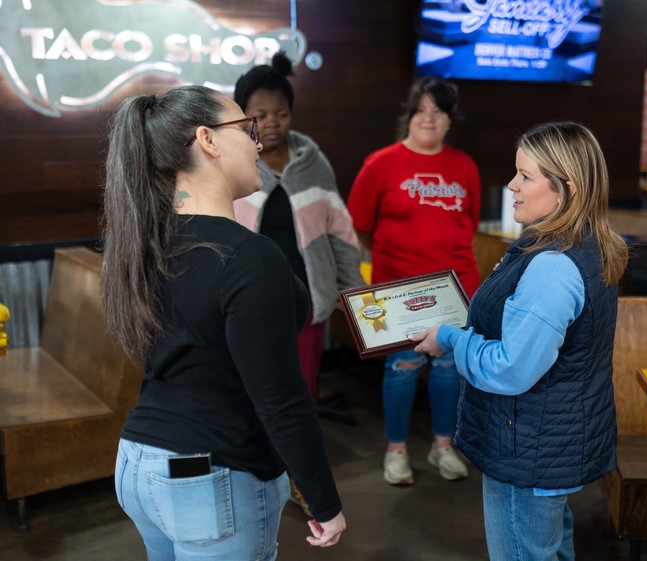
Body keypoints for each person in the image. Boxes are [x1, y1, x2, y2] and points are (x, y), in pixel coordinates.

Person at [101, 85, 346, 561]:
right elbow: (281, 400)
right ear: (208, 141)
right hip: (212, 474)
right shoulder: (247, 257)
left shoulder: (145, 242)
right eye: (246, 129)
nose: (258, 143)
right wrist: (324, 500)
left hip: (137, 463)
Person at [410, 122, 629, 561]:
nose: (512, 185)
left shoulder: (553, 266)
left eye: (525, 176)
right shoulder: (582, 244)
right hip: (546, 443)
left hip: (527, 448)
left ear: (567, 189)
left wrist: (450, 338)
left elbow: (511, 368)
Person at [231, 52, 364, 516]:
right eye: (260, 114)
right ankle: (254, 473)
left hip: (308, 301)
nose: (272, 123)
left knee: (301, 395)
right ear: (242, 114)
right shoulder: (233, 164)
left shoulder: (313, 162)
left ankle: (300, 480)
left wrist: (354, 294)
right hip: (251, 305)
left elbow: (341, 232)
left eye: (281, 113)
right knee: (251, 389)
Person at [347, 76, 481, 486]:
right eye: (421, 109)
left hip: (455, 291)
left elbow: (469, 223)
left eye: (438, 111)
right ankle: (397, 451)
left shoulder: (464, 166)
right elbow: (360, 226)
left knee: (447, 369)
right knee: (403, 369)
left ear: (449, 120)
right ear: (408, 115)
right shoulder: (380, 164)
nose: (429, 118)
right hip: (399, 292)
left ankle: (443, 446)